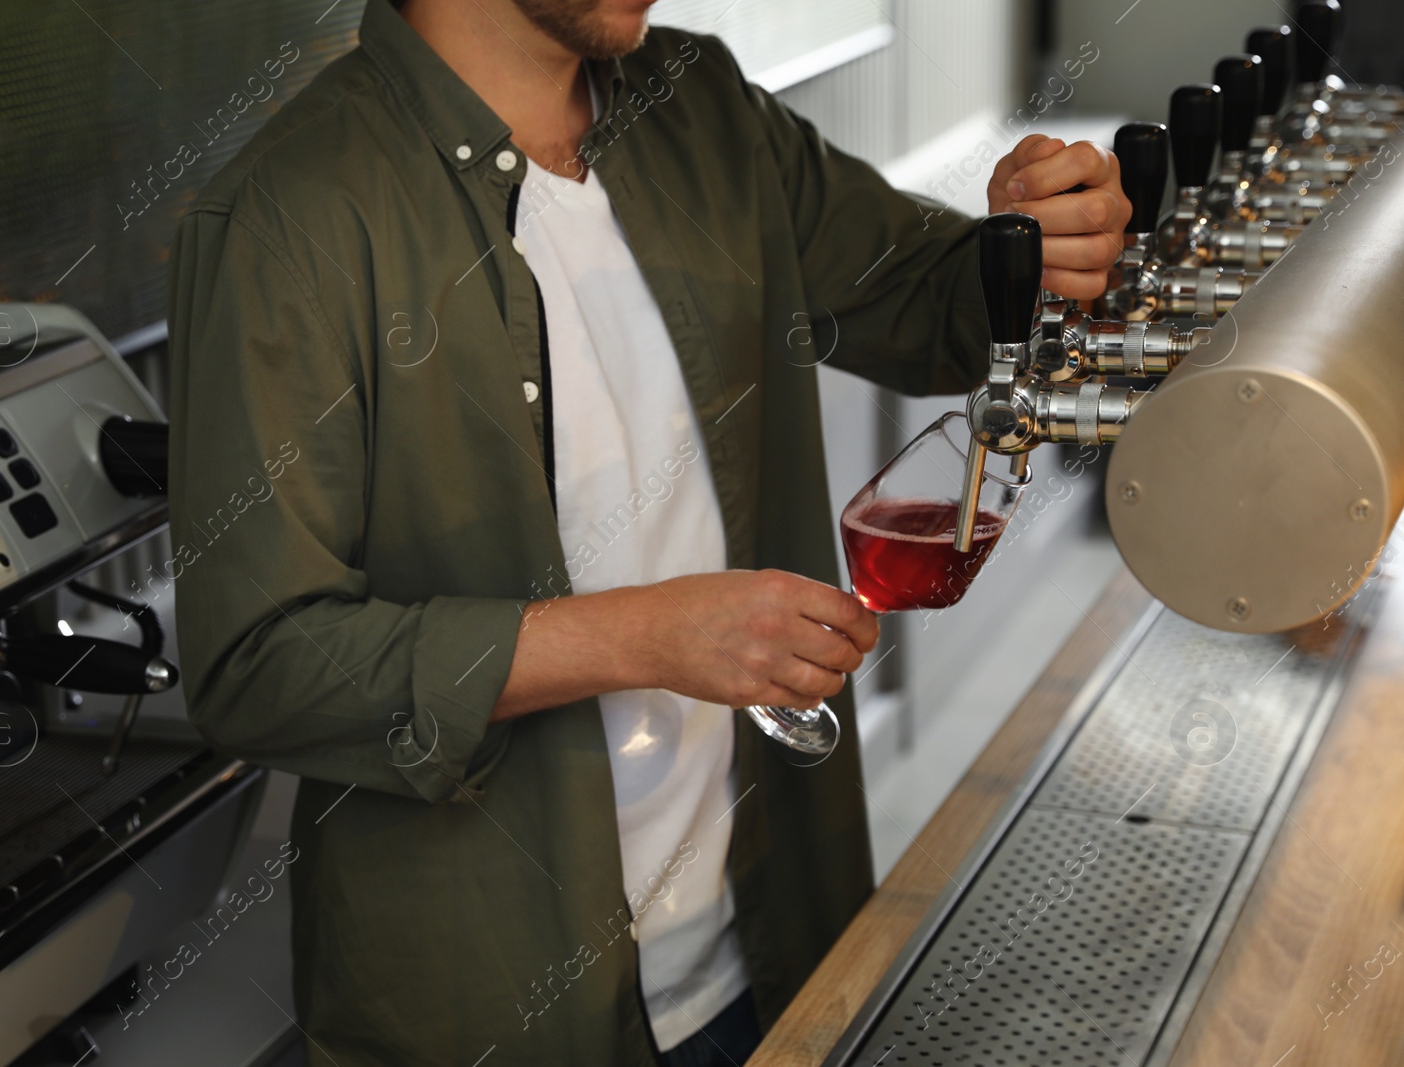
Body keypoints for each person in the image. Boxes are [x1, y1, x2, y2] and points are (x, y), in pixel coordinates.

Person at [165, 0, 1130, 1062]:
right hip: (498, 1015)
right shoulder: (284, 214)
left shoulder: (695, 102)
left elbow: (922, 298)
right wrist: (643, 637)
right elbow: (257, 665)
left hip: (774, 950)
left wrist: (1033, 239)